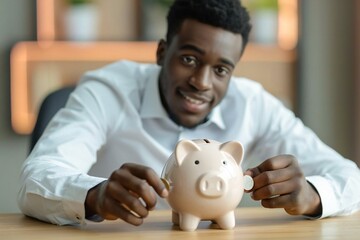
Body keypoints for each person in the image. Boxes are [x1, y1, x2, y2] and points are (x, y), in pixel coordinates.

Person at [18, 0, 360, 227]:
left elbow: (351, 178)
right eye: (189, 59)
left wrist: (313, 194)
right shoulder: (108, 90)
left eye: (221, 70)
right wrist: (96, 195)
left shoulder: (253, 103)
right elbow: (35, 180)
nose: (201, 82)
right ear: (162, 51)